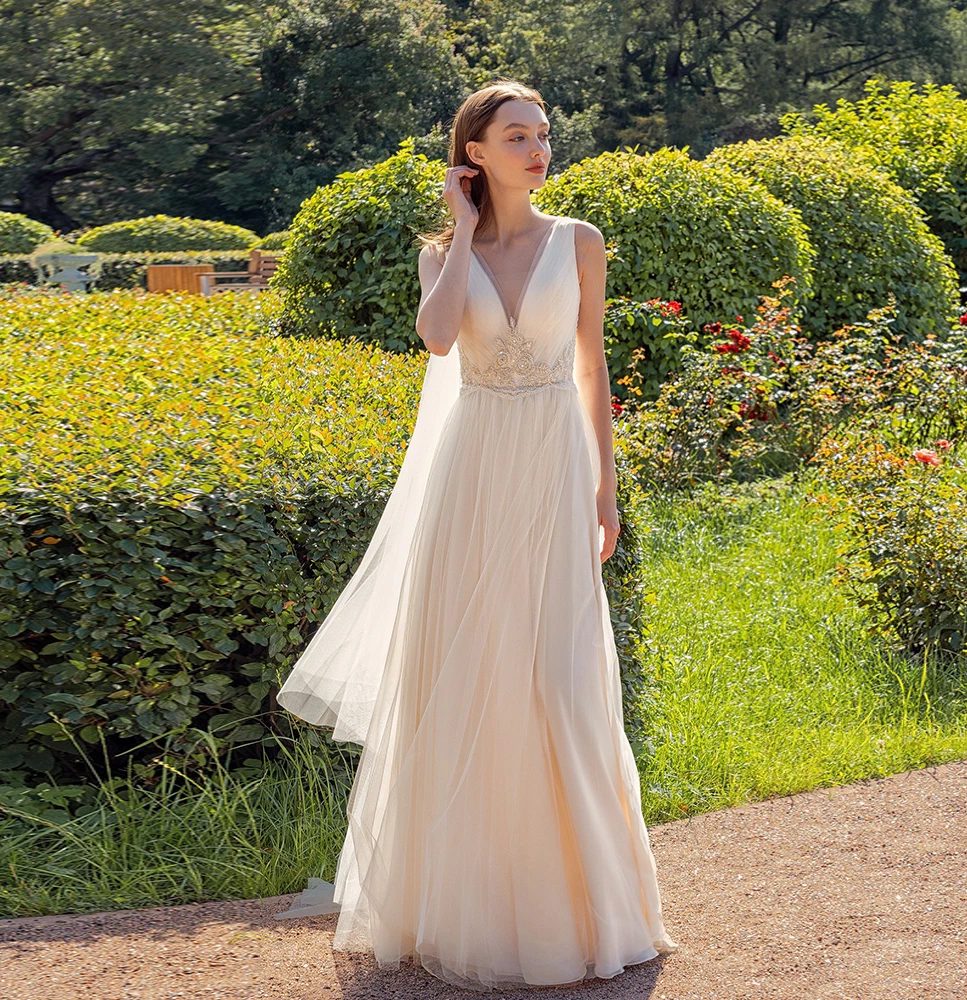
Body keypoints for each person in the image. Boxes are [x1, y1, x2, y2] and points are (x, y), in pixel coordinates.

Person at [275, 79, 679, 992]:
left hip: (555, 462)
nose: (539, 149)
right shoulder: (439, 255)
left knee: (561, 677)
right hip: (473, 470)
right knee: (468, 673)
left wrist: (607, 488)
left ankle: (587, 904)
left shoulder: (579, 241)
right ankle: (464, 905)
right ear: (475, 153)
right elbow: (435, 341)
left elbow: (592, 364)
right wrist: (461, 231)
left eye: (544, 134)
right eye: (517, 136)